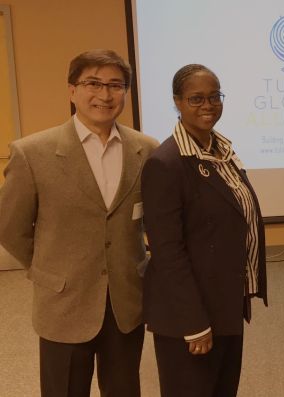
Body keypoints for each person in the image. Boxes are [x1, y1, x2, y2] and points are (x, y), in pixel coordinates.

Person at [0, 49, 158, 396]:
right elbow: (10, 227)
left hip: (125, 299)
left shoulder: (145, 149)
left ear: (126, 93)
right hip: (63, 302)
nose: (104, 95)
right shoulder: (33, 153)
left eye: (115, 85)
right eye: (93, 83)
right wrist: (48, 266)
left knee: (124, 389)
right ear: (72, 90)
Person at [141, 64, 267, 397]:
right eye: (196, 98)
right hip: (190, 315)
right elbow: (167, 252)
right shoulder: (165, 163)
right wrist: (194, 324)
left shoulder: (221, 152)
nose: (208, 105)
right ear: (177, 102)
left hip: (225, 302)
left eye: (214, 96)